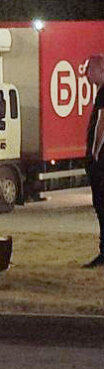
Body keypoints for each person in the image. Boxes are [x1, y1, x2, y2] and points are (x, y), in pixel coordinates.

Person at [83, 54, 104, 268]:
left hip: (101, 160)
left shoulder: (103, 92)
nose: (86, 75)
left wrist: (95, 151)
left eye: (89, 70)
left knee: (101, 204)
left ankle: (103, 252)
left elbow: (102, 123)